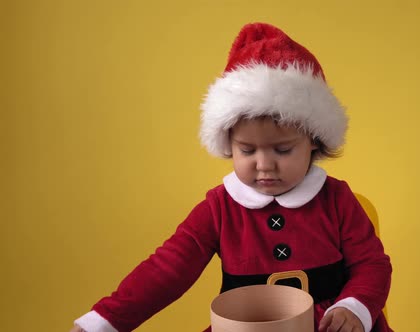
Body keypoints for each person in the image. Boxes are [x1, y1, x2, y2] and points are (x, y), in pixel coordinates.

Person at [70, 22, 393, 332]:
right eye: (247, 150)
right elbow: (168, 269)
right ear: (229, 144)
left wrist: (354, 307)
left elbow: (371, 265)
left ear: (314, 142)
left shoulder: (335, 199)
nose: (264, 165)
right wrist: (107, 320)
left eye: (282, 150)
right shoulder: (218, 207)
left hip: (326, 324)